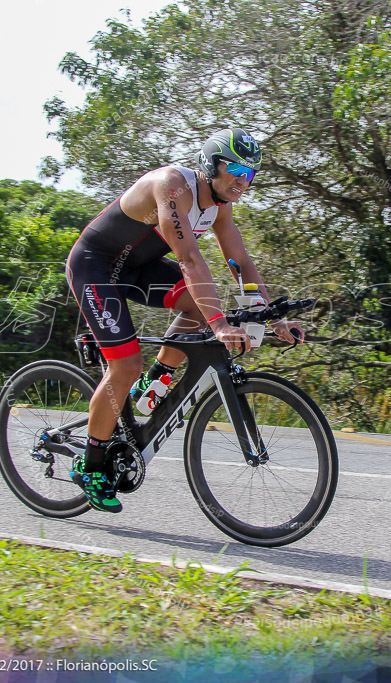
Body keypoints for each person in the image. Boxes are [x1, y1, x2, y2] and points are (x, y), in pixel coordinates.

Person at [64, 128, 304, 512]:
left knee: (197, 307)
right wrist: (219, 324)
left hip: (138, 268)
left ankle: (156, 378)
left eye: (251, 173)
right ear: (211, 165)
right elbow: (189, 259)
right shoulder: (173, 187)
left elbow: (239, 262)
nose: (243, 180)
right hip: (96, 267)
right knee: (124, 366)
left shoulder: (220, 206)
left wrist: (270, 318)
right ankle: (90, 466)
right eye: (236, 169)